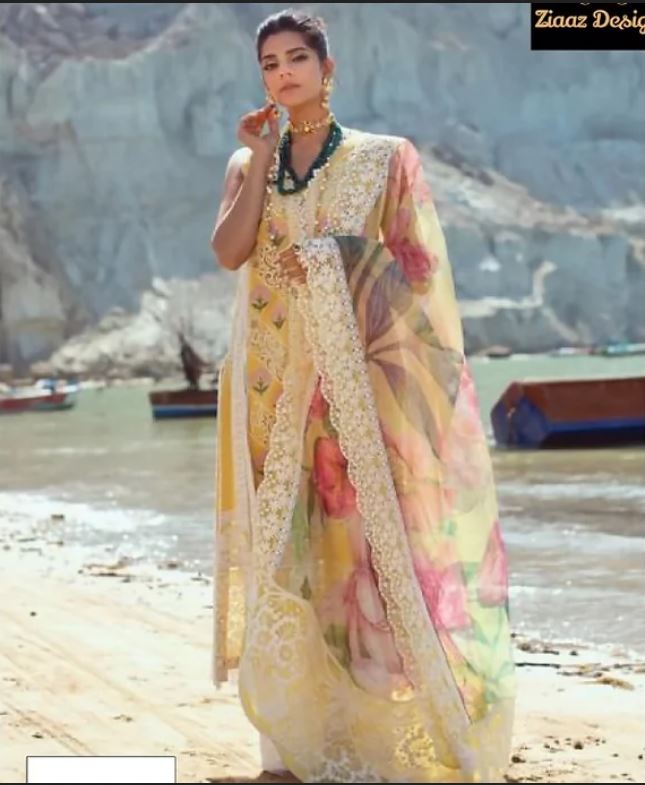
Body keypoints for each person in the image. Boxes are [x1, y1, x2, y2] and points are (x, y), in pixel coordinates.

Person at [210, 9, 516, 783]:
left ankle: (377, 732)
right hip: (267, 389)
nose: (283, 73)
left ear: (327, 67)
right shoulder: (249, 162)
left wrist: (338, 259)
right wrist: (260, 156)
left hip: (355, 393)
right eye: (269, 63)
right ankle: (290, 737)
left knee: (361, 559)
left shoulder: (384, 159)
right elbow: (230, 251)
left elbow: (418, 270)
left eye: (296, 58)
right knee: (286, 556)